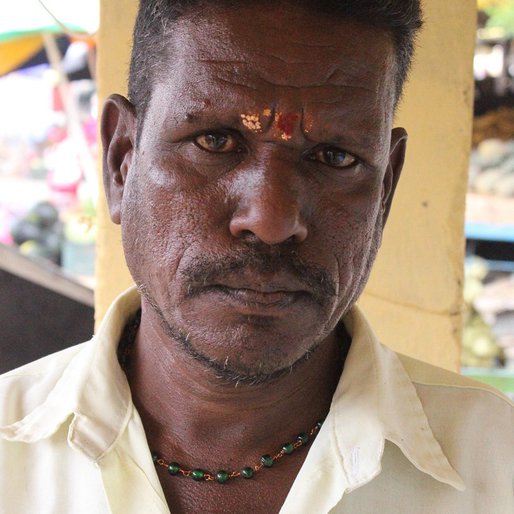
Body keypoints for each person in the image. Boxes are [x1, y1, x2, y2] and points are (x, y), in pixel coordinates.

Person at [1, 1, 513, 513]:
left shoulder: (497, 466)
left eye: (335, 157)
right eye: (215, 140)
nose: (270, 221)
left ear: (385, 190)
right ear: (121, 160)